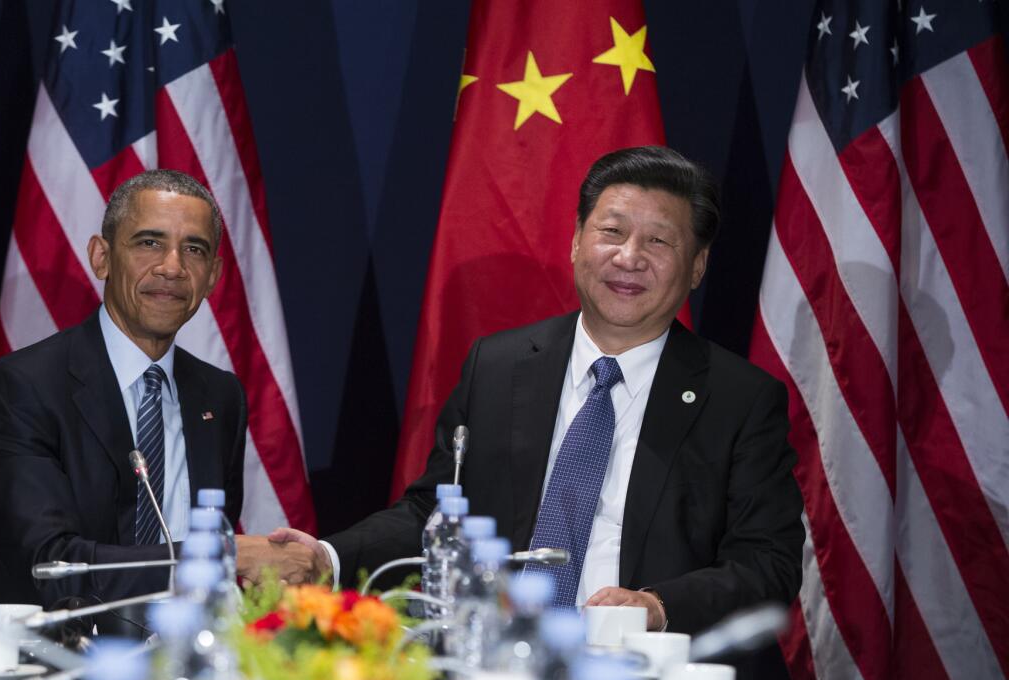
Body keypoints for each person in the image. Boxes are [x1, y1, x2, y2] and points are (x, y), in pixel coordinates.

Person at [268, 146, 804, 635]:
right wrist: (326, 557)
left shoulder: (739, 399)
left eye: (659, 240)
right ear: (576, 241)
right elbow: (435, 512)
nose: (629, 257)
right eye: (612, 232)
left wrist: (658, 605)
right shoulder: (497, 367)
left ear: (697, 267)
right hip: (500, 657)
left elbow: (768, 564)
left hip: (648, 674)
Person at [0, 169, 318, 608]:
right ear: (102, 257)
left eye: (194, 249)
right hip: (59, 659)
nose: (172, 267)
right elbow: (49, 566)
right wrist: (219, 555)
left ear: (212, 276)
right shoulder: (19, 389)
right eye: (149, 242)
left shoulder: (220, 396)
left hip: (189, 658)